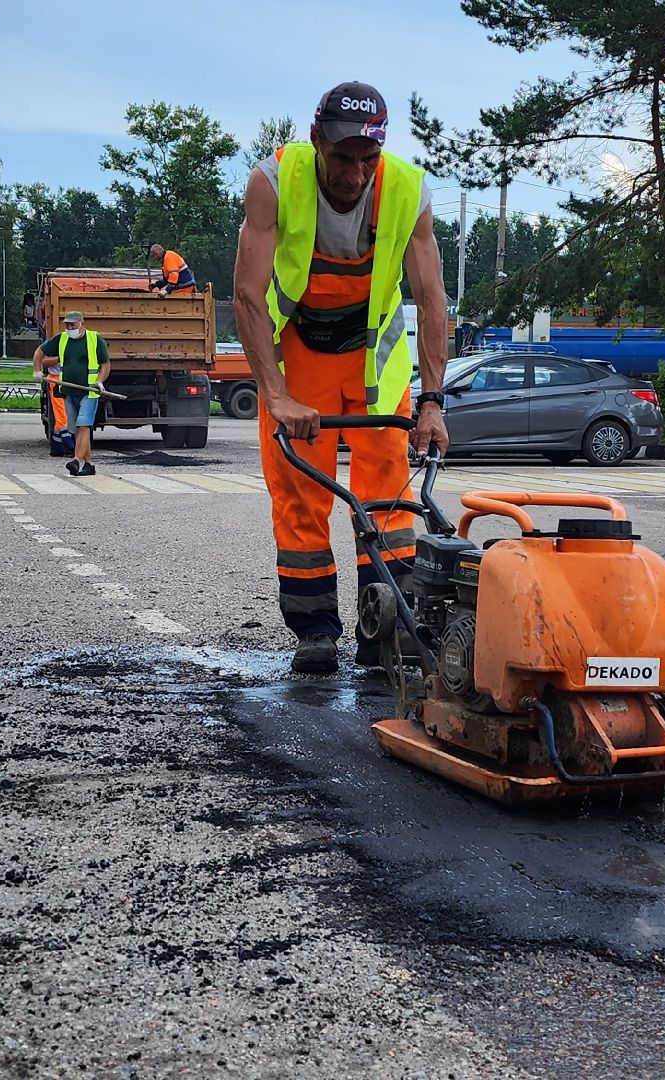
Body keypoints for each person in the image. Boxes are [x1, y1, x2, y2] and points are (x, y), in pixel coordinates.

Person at [233, 81, 450, 675]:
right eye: (342, 158)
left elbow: (433, 302)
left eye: (367, 160)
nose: (355, 174)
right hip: (300, 353)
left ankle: (387, 624)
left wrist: (432, 403)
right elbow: (247, 294)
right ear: (315, 141)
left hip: (372, 359)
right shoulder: (274, 181)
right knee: (300, 493)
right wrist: (274, 394)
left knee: (390, 498)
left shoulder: (409, 189)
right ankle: (315, 631)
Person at [33, 311, 110, 475]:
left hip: (89, 391)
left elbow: (105, 365)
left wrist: (99, 381)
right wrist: (37, 370)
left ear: (81, 323)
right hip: (68, 391)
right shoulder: (61, 339)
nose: (69, 328)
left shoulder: (95, 339)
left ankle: (76, 460)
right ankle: (89, 464)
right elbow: (40, 352)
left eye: (72, 325)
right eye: (67, 325)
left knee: (84, 425)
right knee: (76, 430)